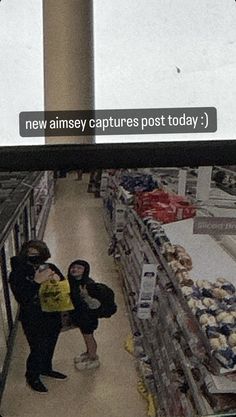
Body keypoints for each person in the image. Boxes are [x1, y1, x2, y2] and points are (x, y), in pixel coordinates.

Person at [9, 240, 67, 394]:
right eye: (30, 253)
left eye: (38, 253)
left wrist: (58, 281)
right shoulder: (18, 273)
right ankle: (32, 375)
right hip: (32, 317)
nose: (34, 256)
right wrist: (36, 282)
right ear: (24, 253)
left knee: (50, 343)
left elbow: (63, 285)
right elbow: (22, 297)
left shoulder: (50, 267)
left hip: (52, 313)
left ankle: (46, 368)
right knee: (37, 347)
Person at [67, 260, 101, 370]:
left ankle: (93, 358)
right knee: (86, 336)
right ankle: (88, 353)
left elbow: (96, 303)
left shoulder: (89, 284)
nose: (75, 270)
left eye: (79, 268)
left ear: (85, 271)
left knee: (89, 337)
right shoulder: (72, 282)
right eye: (73, 267)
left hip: (88, 316)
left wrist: (86, 296)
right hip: (80, 315)